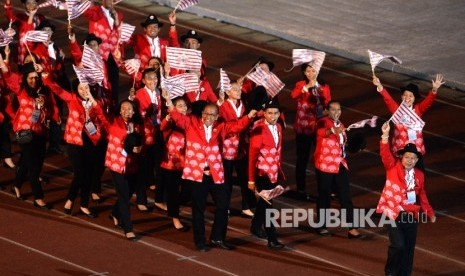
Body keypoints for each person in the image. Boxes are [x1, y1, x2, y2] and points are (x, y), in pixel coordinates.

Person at [163, 91, 257, 252]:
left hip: (215, 174)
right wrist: (168, 102)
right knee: (198, 209)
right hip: (196, 174)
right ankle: (200, 241)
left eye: (212, 114)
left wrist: (249, 116)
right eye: (206, 113)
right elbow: (178, 117)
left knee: (223, 206)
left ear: (217, 116)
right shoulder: (191, 123)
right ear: (202, 114)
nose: (208, 116)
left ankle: (218, 237)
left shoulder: (221, 127)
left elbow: (237, 126)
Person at [377, 122, 436, 276]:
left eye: (413, 158)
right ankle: (390, 271)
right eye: (407, 157)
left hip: (410, 215)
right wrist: (385, 136)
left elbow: (422, 195)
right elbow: (385, 153)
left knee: (409, 248)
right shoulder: (392, 166)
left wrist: (429, 212)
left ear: (417, 161)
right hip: (392, 213)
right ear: (402, 157)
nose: (410, 160)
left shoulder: (419, 175)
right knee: (398, 245)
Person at [42, 76, 103, 218]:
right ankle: (70, 199)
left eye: (86, 88)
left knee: (88, 174)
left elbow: (101, 116)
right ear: (76, 89)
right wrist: (46, 77)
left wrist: (93, 103)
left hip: (91, 142)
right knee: (79, 173)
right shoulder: (72, 100)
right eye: (81, 88)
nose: (83, 91)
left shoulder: (95, 102)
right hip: (74, 142)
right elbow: (57, 90)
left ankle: (84, 205)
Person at [0, 58, 58, 209]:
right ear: (25, 78)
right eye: (30, 78)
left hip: (40, 131)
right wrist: (3, 65)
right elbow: (9, 78)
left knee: (29, 161)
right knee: (34, 166)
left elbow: (52, 87)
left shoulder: (43, 90)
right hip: (25, 131)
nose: (33, 80)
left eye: (35, 77)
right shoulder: (21, 90)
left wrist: (51, 115)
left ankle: (17, 185)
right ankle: (38, 198)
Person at [91, 98, 143, 241]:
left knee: (129, 191)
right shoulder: (112, 122)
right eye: (124, 108)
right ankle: (128, 228)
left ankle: (115, 212)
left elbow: (141, 141)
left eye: (129, 109)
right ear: (120, 110)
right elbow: (101, 113)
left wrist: (140, 148)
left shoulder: (137, 125)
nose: (127, 111)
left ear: (134, 111)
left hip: (132, 164)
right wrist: (90, 97)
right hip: (116, 164)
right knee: (124, 195)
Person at [313, 100, 363, 238]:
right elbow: (321, 132)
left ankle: (352, 227)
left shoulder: (341, 125)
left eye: (339, 110)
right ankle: (322, 225)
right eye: (333, 110)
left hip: (339, 165)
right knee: (324, 196)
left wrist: (353, 148)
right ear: (327, 111)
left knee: (345, 196)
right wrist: (333, 130)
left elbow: (343, 146)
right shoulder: (322, 122)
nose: (336, 112)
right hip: (324, 166)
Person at [372, 74, 445, 158]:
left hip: (415, 147)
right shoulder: (397, 110)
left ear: (414, 99)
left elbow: (428, 102)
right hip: (400, 147)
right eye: (405, 95)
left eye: (411, 96)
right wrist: (379, 85)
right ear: (401, 97)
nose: (407, 98)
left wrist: (434, 89)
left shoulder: (418, 109)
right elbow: (388, 98)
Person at [248, 99, 286, 249]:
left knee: (264, 203)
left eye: (276, 113)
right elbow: (252, 156)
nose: (273, 116)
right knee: (269, 205)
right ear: (264, 113)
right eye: (270, 113)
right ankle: (272, 238)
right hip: (262, 172)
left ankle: (256, 226)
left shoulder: (278, 127)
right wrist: (251, 180)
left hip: (274, 172)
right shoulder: (258, 129)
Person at [291, 61, 331, 199]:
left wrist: (322, 100)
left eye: (313, 71)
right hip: (303, 129)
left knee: (322, 157)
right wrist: (307, 87)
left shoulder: (324, 87)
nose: (310, 74)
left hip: (318, 129)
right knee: (302, 159)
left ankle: (326, 189)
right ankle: (300, 189)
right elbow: (293, 96)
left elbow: (328, 105)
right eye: (307, 71)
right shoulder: (300, 85)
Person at [219, 81, 256, 218]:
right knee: (226, 181)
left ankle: (246, 206)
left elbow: (245, 126)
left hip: (240, 149)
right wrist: (247, 119)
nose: (238, 90)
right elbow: (230, 127)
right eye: (234, 89)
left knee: (244, 179)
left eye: (239, 88)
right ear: (228, 92)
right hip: (227, 150)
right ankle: (225, 206)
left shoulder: (243, 106)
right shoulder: (223, 107)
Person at [84, 0, 123, 105]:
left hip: (113, 56)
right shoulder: (96, 11)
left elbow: (120, 33)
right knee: (98, 86)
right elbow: (86, 12)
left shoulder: (118, 14)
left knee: (114, 87)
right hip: (99, 56)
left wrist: (117, 20)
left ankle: (113, 110)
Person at [159, 96, 189, 231]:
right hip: (172, 164)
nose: (183, 108)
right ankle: (175, 217)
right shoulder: (170, 121)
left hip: (188, 163)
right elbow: (162, 127)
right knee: (173, 192)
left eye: (185, 105)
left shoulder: (190, 121)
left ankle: (173, 205)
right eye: (180, 105)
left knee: (187, 192)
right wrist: (169, 116)